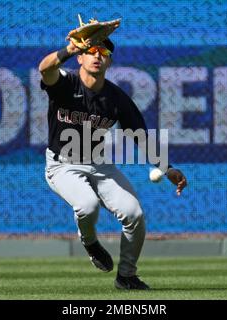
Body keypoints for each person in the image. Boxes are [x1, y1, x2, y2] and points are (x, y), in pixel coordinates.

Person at [38, 34, 187, 290]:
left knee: (134, 214)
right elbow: (45, 68)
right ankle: (90, 243)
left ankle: (126, 276)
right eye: (92, 50)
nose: (98, 56)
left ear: (109, 62)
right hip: (62, 165)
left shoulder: (116, 98)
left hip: (99, 165)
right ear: (81, 57)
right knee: (87, 205)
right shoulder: (65, 83)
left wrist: (167, 168)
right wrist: (70, 48)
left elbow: (140, 136)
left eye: (104, 53)